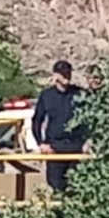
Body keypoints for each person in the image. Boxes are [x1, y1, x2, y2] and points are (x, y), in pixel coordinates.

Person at [32, 60, 86, 193]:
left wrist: (88, 141)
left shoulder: (80, 94)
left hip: (76, 147)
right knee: (56, 188)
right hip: (55, 149)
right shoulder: (47, 95)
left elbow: (89, 118)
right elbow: (36, 121)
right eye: (63, 74)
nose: (66, 76)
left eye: (68, 73)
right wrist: (41, 143)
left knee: (77, 188)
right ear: (56, 75)